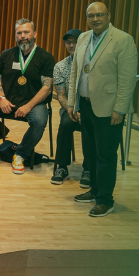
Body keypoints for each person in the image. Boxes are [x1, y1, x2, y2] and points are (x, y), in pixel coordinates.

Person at [67, 2, 138, 217]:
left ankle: (106, 200)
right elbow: (76, 73)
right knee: (90, 153)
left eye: (99, 15)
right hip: (86, 105)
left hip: (109, 110)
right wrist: (72, 102)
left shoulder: (123, 40)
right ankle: (95, 190)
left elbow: (128, 80)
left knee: (106, 156)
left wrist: (120, 109)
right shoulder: (83, 38)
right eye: (91, 16)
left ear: (108, 15)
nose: (95, 19)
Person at [0, 19, 56, 173]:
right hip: (8, 101)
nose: (23, 36)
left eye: (26, 32)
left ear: (35, 34)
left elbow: (47, 88)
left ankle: (21, 154)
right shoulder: (7, 54)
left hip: (33, 104)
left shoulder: (45, 57)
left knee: (39, 120)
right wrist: (1, 98)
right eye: (19, 33)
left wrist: (28, 106)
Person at [51, 29, 88, 186]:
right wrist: (71, 109)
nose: (71, 45)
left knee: (90, 124)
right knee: (65, 124)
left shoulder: (90, 64)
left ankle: (89, 168)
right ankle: (62, 166)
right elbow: (60, 95)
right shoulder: (60, 66)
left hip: (89, 107)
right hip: (70, 108)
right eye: (68, 42)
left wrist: (83, 111)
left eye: (75, 42)